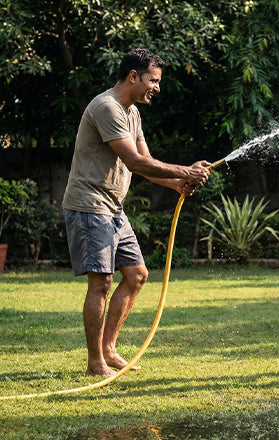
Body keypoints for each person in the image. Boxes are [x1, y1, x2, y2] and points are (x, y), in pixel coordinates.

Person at [62, 48, 212, 377]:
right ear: (134, 76)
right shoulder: (107, 107)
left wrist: (176, 183)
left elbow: (147, 163)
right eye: (153, 81)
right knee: (101, 282)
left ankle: (109, 349)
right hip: (90, 205)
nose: (157, 87)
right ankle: (95, 363)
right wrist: (185, 171)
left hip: (113, 208)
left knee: (137, 275)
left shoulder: (133, 114)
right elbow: (134, 162)